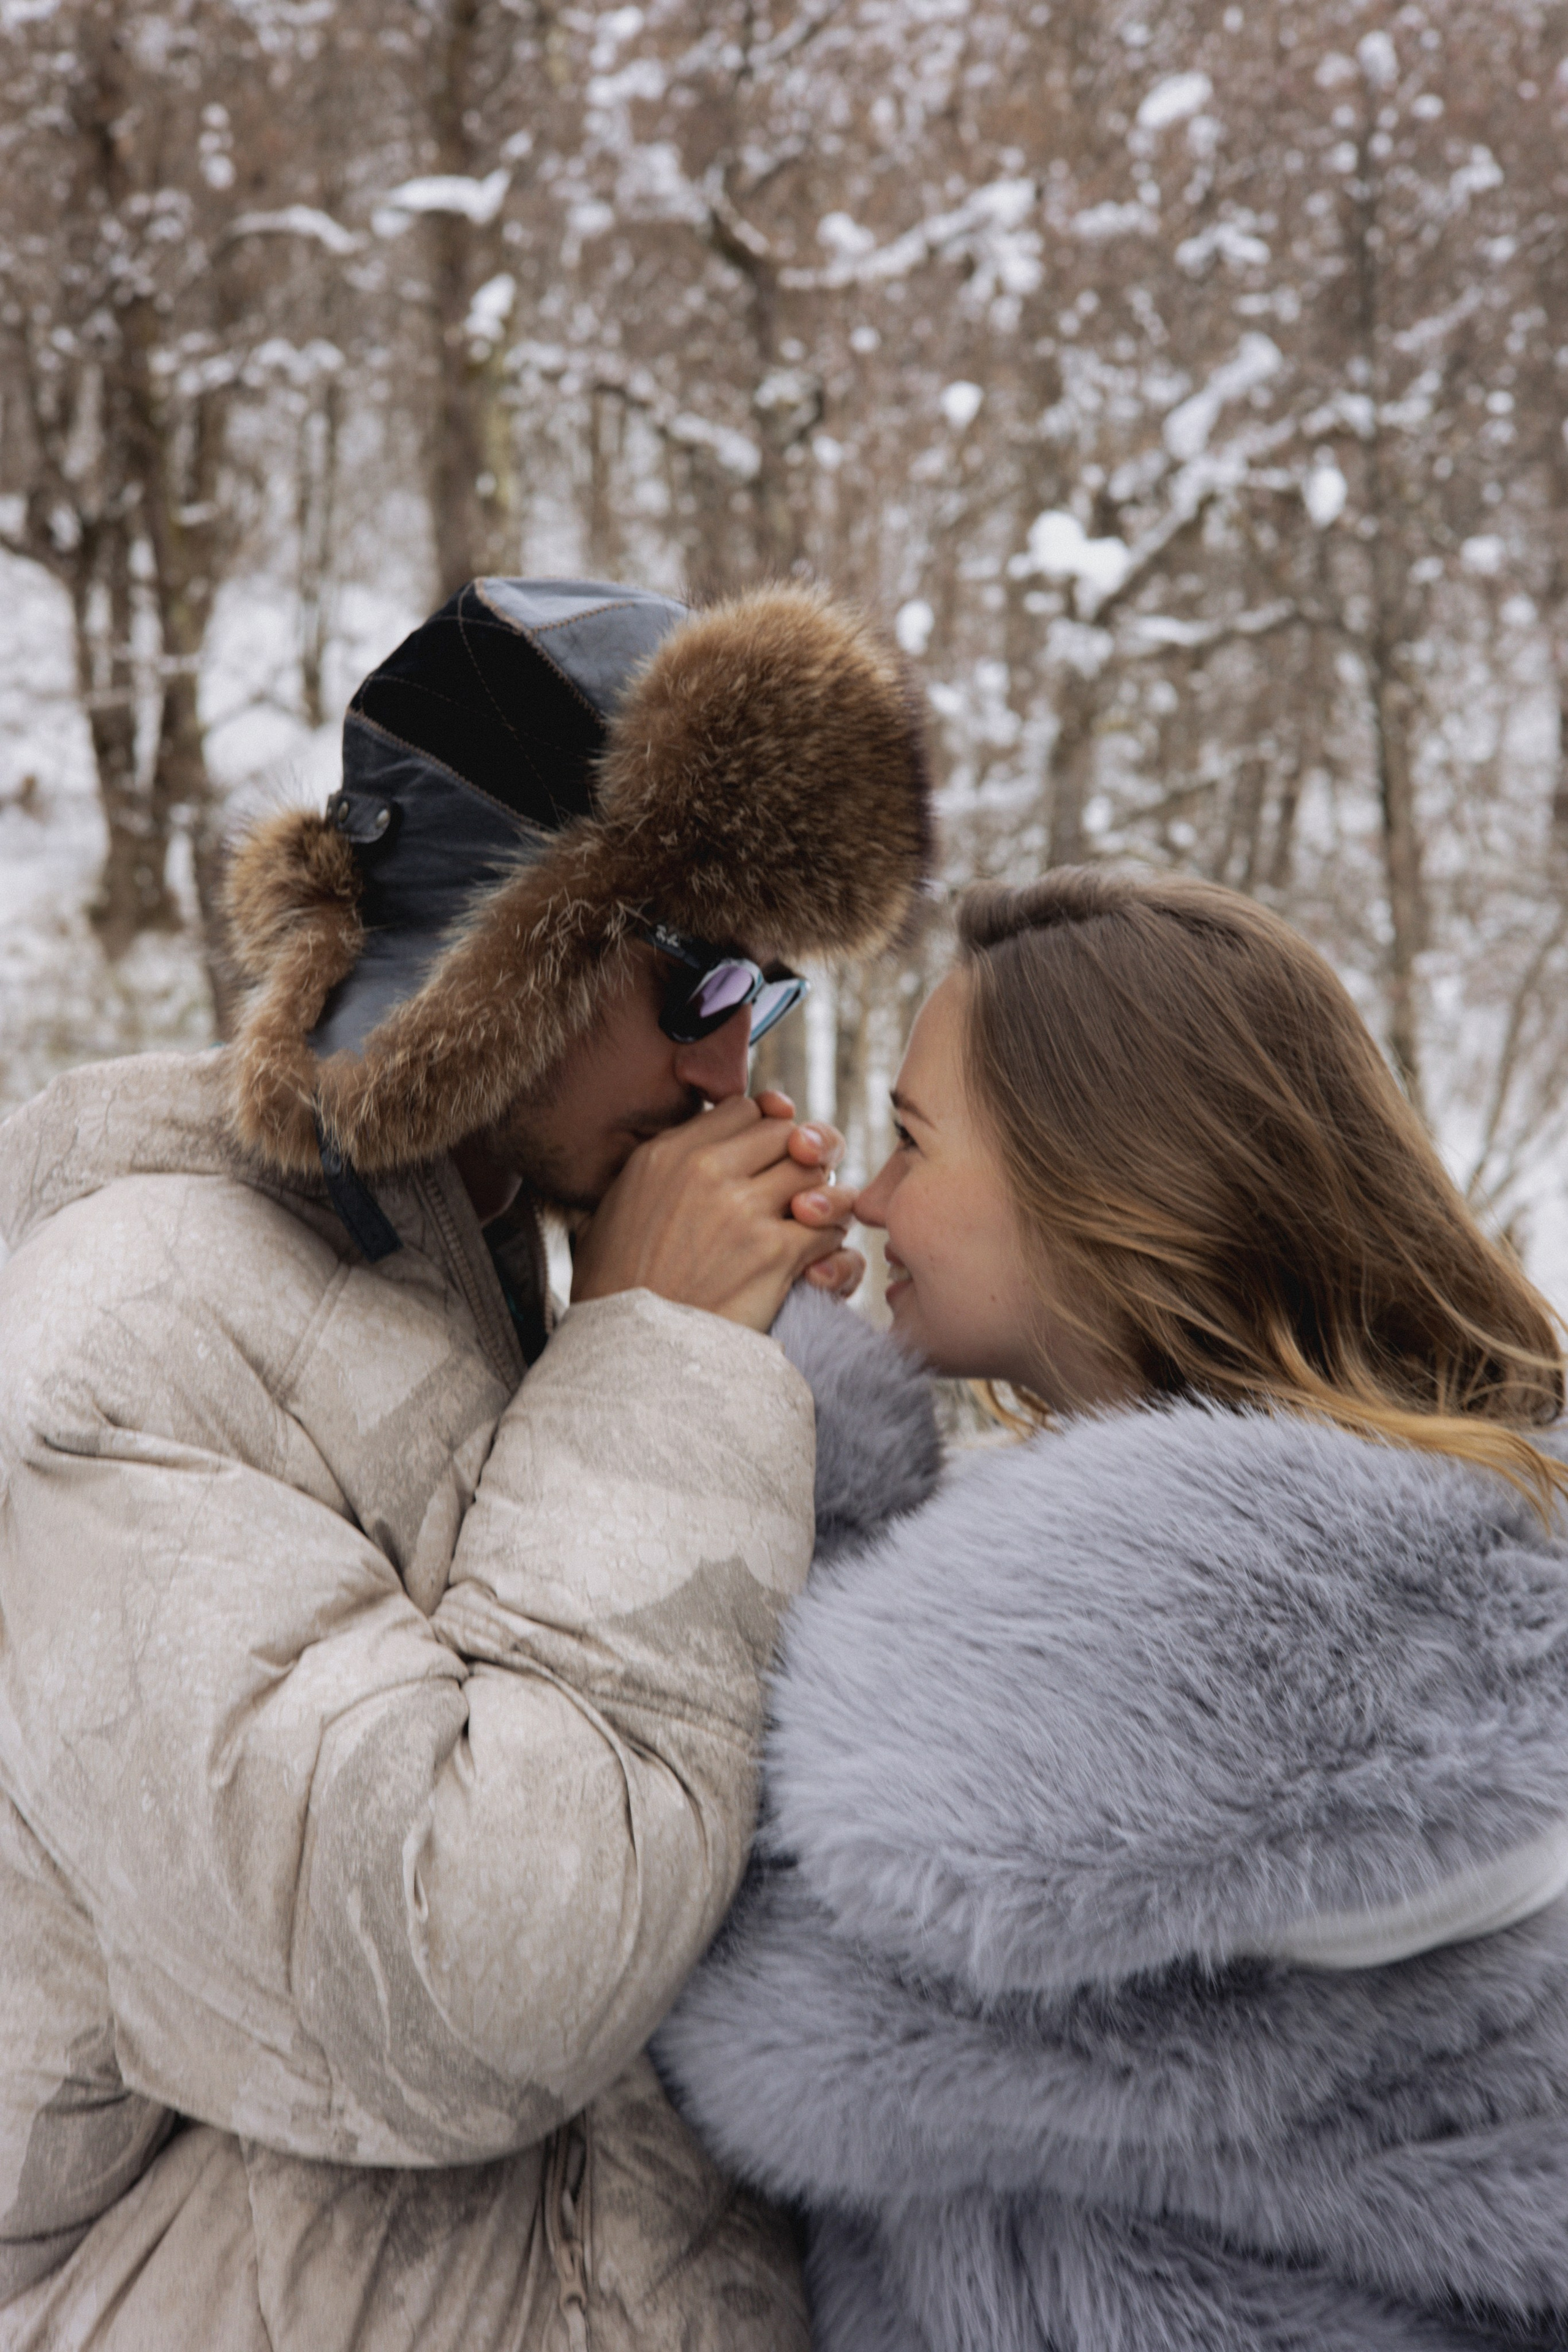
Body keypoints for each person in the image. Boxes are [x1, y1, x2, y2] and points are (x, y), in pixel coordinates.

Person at [0, 576, 935, 2351]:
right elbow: (468, 1982)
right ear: (500, 951)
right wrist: (661, 1369)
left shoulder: (477, 1263)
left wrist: (753, 1371)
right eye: (695, 975)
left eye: (771, 991)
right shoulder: (124, 1332)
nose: (731, 1060)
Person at [658, 867, 1568, 2352]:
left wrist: (720, 1383)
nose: (867, 1197)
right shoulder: (1422, 1540)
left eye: (910, 1140)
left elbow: (753, 2007)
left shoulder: (1254, 1600)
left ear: (1099, 1179)